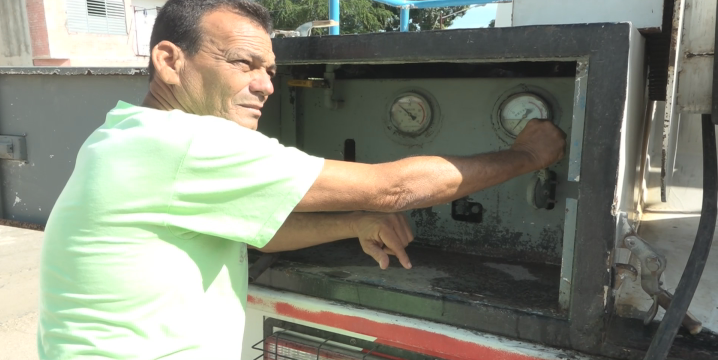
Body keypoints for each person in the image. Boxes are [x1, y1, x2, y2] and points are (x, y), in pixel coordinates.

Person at [37, 0, 566, 358]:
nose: (265, 85)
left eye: (269, 69)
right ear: (170, 61)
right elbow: (393, 187)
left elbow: (247, 228)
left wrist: (356, 221)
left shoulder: (126, 133)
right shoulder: (186, 144)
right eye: (244, 63)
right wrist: (527, 155)